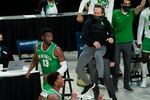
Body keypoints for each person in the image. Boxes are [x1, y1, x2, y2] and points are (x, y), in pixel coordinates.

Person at [76, 4, 114, 95]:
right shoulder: (88, 21)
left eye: (98, 13)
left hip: (101, 46)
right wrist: (93, 42)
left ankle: (100, 79)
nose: (96, 15)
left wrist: (111, 37)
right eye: (95, 13)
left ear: (102, 14)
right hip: (89, 47)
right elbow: (84, 36)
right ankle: (88, 84)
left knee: (98, 54)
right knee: (78, 69)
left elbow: (112, 32)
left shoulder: (106, 22)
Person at [112, 0, 146, 92]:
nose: (127, 5)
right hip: (117, 43)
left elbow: (139, 7)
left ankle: (126, 84)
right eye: (125, 4)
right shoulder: (115, 13)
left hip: (128, 42)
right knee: (116, 65)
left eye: (129, 4)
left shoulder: (131, 12)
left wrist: (142, 4)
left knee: (127, 64)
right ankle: (114, 85)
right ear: (121, 4)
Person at [137, 0, 150, 88]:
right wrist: (139, 41)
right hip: (147, 38)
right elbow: (140, 27)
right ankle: (144, 78)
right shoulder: (144, 12)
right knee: (144, 58)